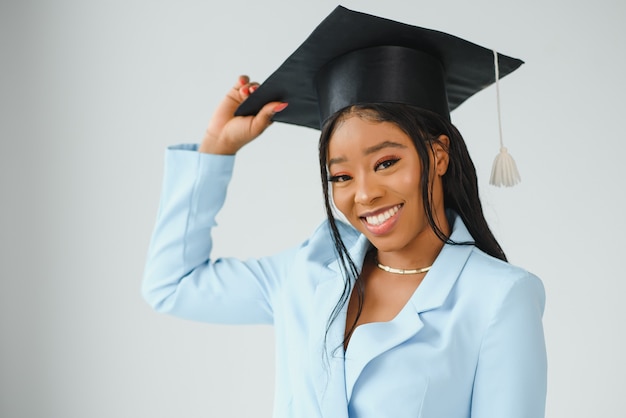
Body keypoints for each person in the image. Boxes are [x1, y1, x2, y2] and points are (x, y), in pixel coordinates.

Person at [143, 6, 547, 418]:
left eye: (386, 163)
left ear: (438, 155)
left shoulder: (498, 297)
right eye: (341, 176)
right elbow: (172, 284)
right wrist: (215, 150)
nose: (366, 194)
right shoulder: (309, 271)